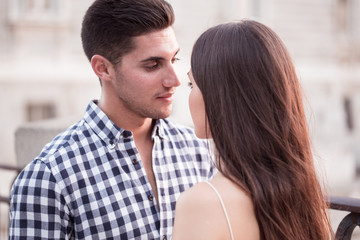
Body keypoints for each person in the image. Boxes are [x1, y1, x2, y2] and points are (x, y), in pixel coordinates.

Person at [9, 0, 214, 239]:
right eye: (153, 65)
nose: (174, 80)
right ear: (103, 68)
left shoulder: (199, 150)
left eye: (174, 60)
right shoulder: (48, 178)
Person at [172, 20, 332, 240]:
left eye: (192, 85)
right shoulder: (300, 189)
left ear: (222, 97)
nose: (187, 93)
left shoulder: (203, 201)